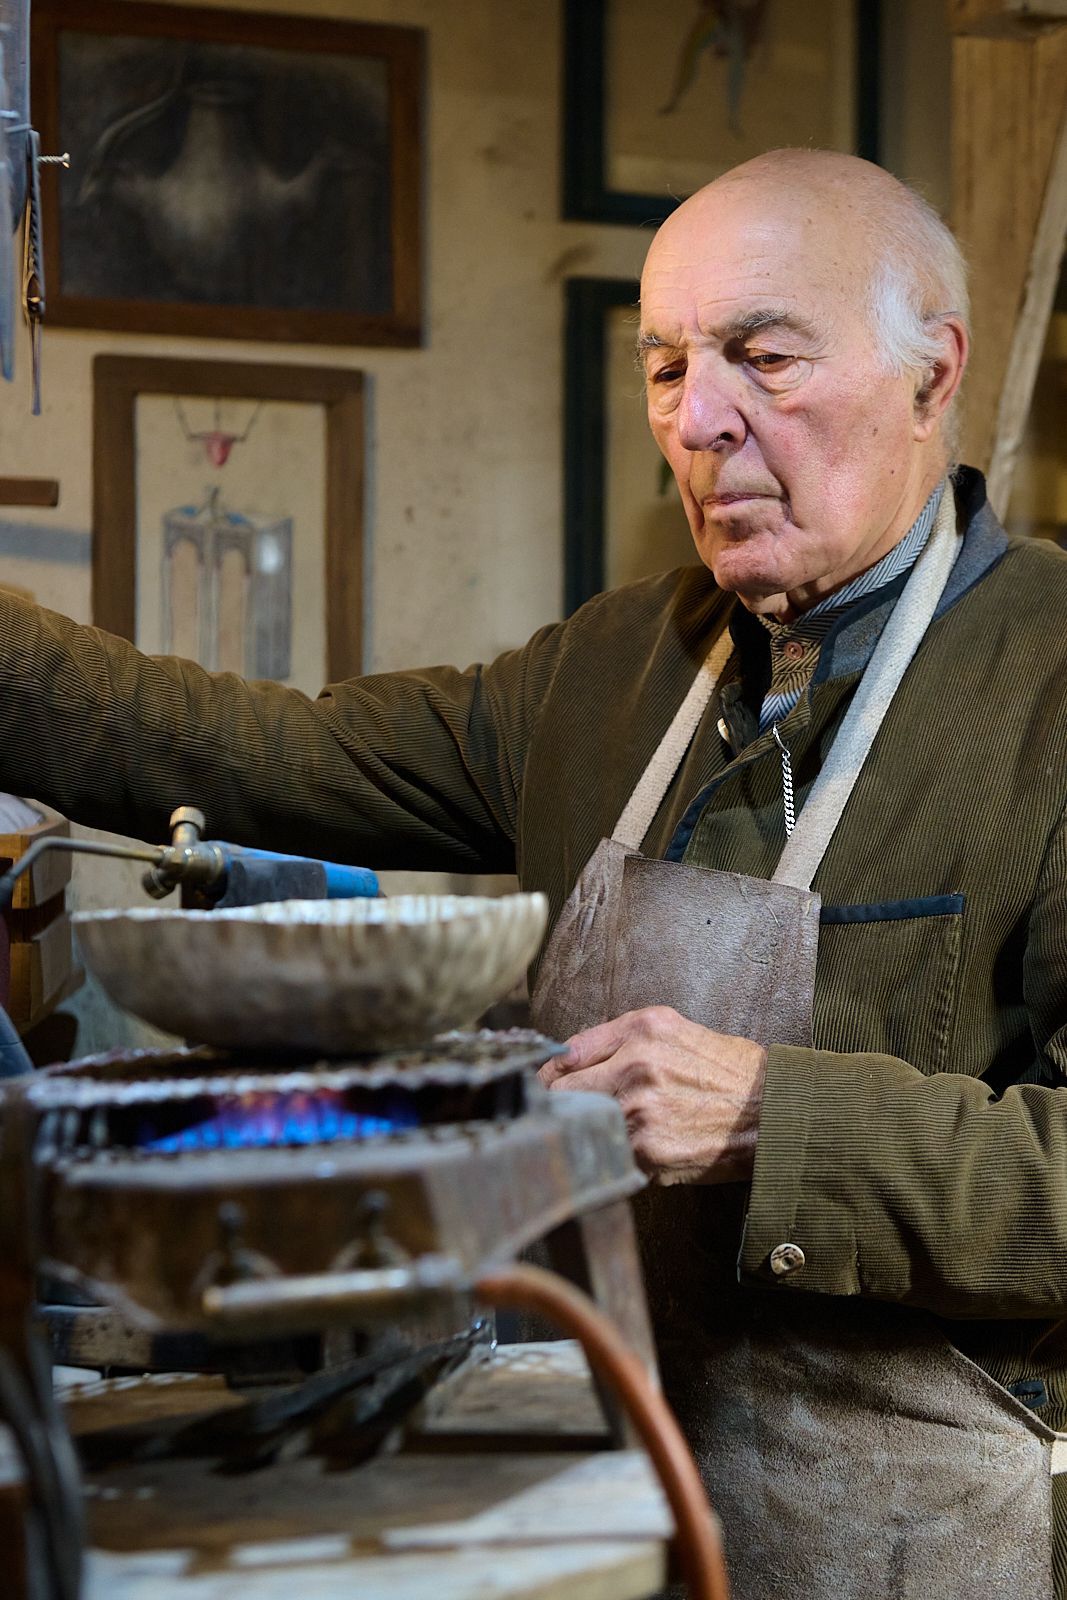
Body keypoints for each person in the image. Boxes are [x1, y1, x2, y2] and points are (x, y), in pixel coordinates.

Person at [2, 148, 1067, 1597]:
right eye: (667, 366)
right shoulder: (615, 667)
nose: (700, 423)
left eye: (763, 357)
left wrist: (776, 1113)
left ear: (935, 373)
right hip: (590, 1494)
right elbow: (261, 753)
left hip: (905, 1544)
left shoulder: (1049, 684)